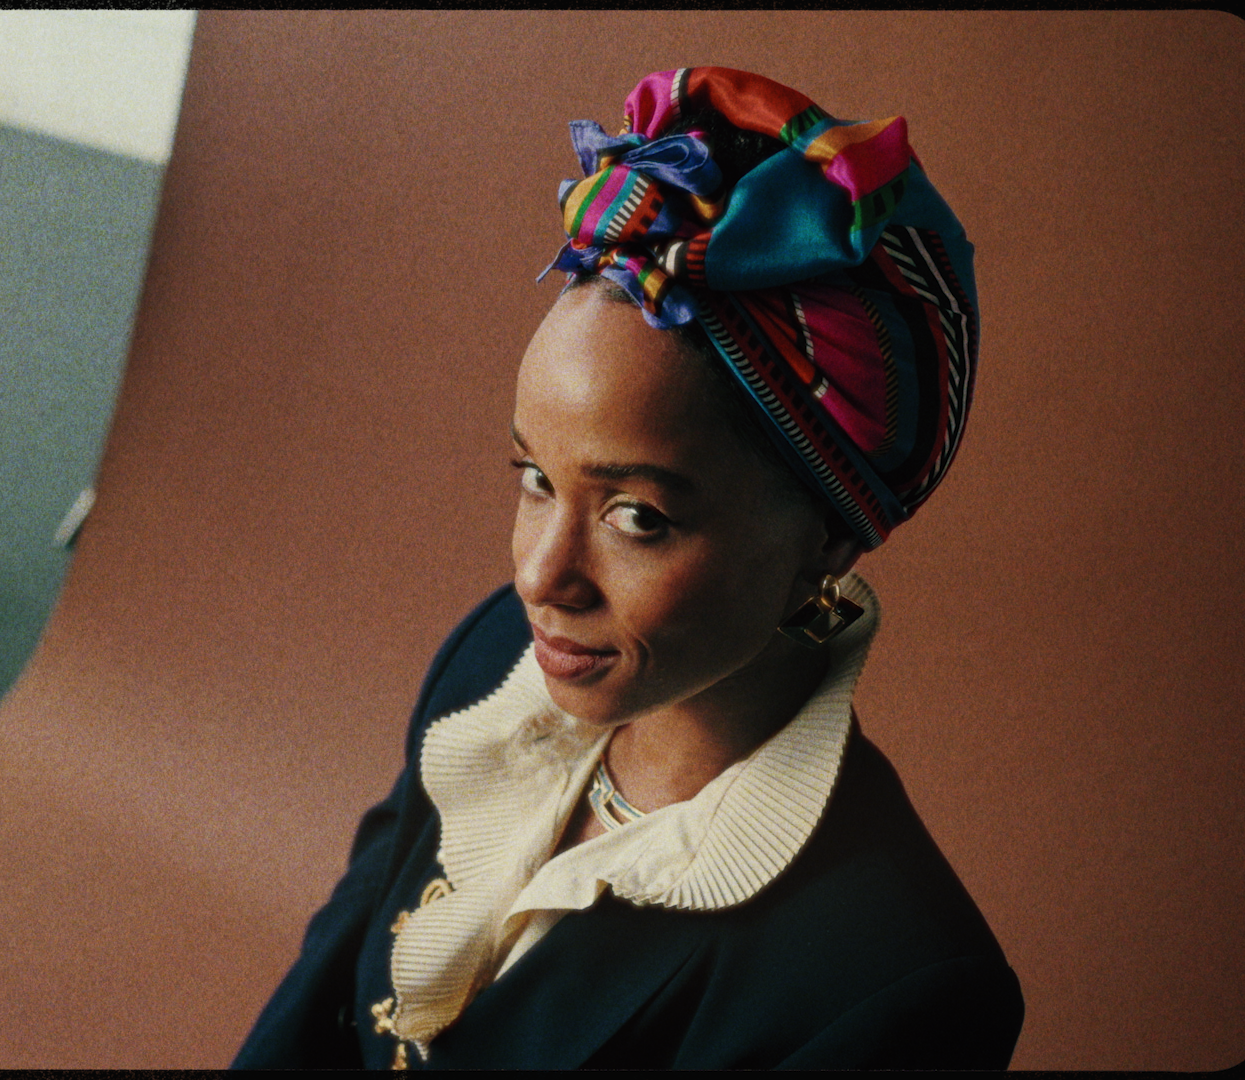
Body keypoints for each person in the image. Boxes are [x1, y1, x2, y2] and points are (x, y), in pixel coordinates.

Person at [231, 67, 1022, 1069]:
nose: (541, 578)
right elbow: (328, 978)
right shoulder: (492, 665)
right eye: (533, 478)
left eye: (638, 517)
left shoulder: (891, 985)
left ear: (830, 537)